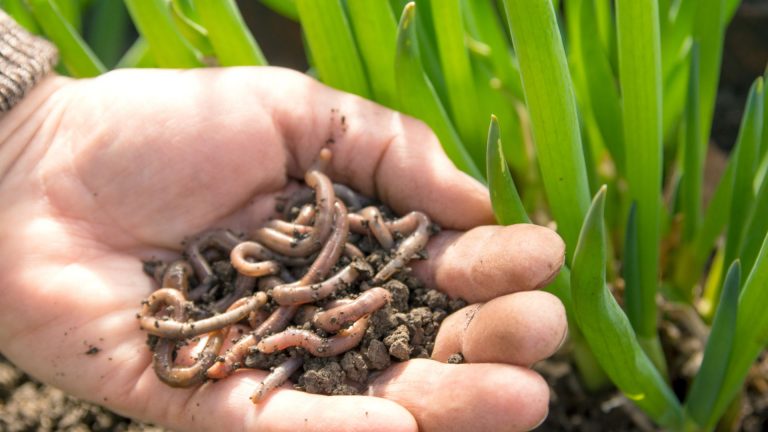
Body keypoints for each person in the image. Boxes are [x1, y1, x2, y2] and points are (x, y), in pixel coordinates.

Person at [0, 11, 567, 432]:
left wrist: (24, 134)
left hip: (294, 288)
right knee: (277, 305)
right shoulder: (245, 275)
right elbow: (271, 289)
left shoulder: (322, 251)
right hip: (272, 298)